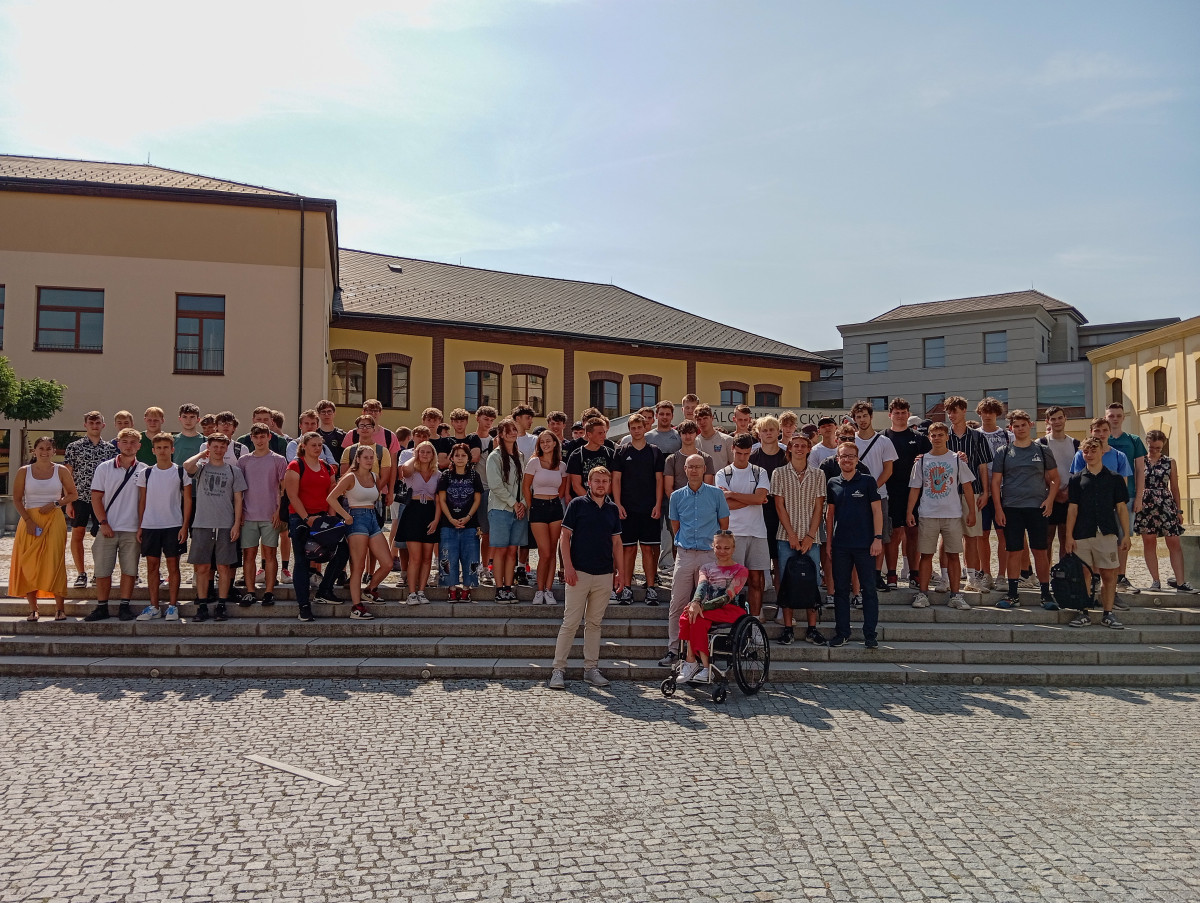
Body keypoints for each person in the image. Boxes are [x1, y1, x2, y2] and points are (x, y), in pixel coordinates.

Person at [548, 466, 625, 690]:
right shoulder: (577, 505)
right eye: (597, 481)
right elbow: (564, 537)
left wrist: (620, 572)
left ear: (609, 484)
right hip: (578, 573)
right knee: (570, 623)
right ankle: (558, 670)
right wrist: (567, 567)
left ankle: (591, 669)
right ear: (588, 483)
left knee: (594, 624)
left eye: (604, 481)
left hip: (604, 574)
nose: (601, 485)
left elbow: (617, 543)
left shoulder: (612, 509)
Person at [661, 454, 731, 667]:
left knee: (705, 605)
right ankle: (674, 650)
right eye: (690, 467)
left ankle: (702, 652)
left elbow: (724, 524)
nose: (694, 470)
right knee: (678, 603)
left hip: (708, 556)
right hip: (685, 555)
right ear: (684, 469)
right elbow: (675, 526)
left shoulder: (716, 494)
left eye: (698, 467)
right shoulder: (676, 496)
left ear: (704, 469)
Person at [990, 410, 1059, 610]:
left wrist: (1050, 500)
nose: (1020, 429)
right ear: (1011, 428)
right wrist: (998, 509)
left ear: (1030, 425)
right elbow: (995, 482)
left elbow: (1055, 478)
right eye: (1016, 426)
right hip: (1011, 508)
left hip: (1037, 508)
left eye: (1023, 425)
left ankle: (1045, 594)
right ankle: (1013, 594)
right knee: (1014, 551)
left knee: (1040, 551)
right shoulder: (1004, 451)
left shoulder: (1042, 450)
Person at [906, 422, 976, 610]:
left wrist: (972, 511)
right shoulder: (922, 461)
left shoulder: (956, 459)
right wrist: (909, 511)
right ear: (929, 437)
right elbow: (915, 488)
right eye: (933, 435)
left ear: (947, 437)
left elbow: (967, 486)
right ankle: (923, 593)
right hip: (928, 513)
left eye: (940, 435)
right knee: (926, 555)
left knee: (953, 555)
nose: (937, 438)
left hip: (952, 514)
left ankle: (956, 595)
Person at [1064, 438, 1130, 629]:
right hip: (1082, 534)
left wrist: (1126, 534)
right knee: (1083, 574)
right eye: (1086, 451)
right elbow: (1072, 509)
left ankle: (1108, 613)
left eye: (1094, 450)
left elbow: (1121, 508)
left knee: (1109, 574)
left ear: (1102, 452)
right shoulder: (1076, 479)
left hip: (1106, 533)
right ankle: (1083, 612)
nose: (1090, 454)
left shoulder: (1115, 478)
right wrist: (1068, 536)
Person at [10, 436, 77, 621]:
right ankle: (33, 608)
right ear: (35, 451)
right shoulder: (24, 471)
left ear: (54, 451)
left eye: (48, 448)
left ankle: (59, 609)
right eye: (41, 448)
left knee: (55, 561)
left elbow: (73, 494)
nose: (45, 452)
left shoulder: (61, 470)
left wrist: (56, 503)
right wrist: (28, 520)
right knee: (28, 562)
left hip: (54, 518)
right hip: (29, 519)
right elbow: (17, 499)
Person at [84, 428, 148, 622]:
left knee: (129, 570)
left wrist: (141, 527)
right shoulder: (104, 468)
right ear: (118, 444)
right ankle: (101, 606)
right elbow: (96, 497)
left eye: (133, 442)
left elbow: (145, 501)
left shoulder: (144, 469)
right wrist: (103, 522)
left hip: (132, 529)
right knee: (102, 570)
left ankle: (124, 606)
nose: (129, 446)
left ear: (139, 446)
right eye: (125, 442)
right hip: (108, 527)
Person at [182, 434, 245, 623]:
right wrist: (202, 454)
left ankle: (221, 605)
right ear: (209, 447)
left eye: (222, 447)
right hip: (202, 524)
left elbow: (238, 500)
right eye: (215, 446)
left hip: (225, 525)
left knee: (224, 567)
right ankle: (202, 605)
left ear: (226, 449)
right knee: (202, 567)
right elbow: (186, 466)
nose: (218, 450)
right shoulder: (201, 468)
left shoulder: (234, 471)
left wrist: (236, 524)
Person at [771, 433, 828, 645]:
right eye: (795, 445)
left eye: (803, 446)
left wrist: (810, 536)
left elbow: (819, 507)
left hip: (811, 538)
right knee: (787, 581)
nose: (799, 449)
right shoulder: (779, 473)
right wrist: (793, 535)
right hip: (786, 537)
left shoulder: (818, 474)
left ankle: (812, 628)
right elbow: (779, 506)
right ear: (789, 448)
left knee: (811, 582)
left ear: (809, 449)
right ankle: (788, 628)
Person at [825, 442, 883, 648]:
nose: (847, 460)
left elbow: (877, 511)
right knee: (840, 590)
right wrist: (829, 543)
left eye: (851, 456)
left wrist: (878, 538)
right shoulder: (832, 482)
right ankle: (842, 633)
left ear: (857, 459)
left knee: (869, 589)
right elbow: (830, 515)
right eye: (843, 456)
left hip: (865, 545)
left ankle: (870, 635)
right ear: (837, 459)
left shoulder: (867, 481)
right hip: (840, 545)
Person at [325, 445, 389, 619]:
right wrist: (346, 516)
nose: (369, 460)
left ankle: (369, 589)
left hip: (372, 518)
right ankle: (356, 607)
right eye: (366, 457)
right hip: (356, 518)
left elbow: (375, 498)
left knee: (387, 562)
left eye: (371, 457)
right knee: (358, 566)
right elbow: (331, 498)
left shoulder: (374, 476)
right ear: (358, 459)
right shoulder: (350, 477)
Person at [678, 532, 750, 683]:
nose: (722, 551)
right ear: (713, 547)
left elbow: (728, 596)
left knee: (693, 615)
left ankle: (691, 661)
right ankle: (702, 666)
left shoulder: (741, 570)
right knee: (692, 616)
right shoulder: (706, 568)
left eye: (726, 548)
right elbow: (702, 586)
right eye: (718, 547)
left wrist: (701, 607)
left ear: (733, 548)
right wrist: (695, 602)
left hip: (730, 609)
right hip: (708, 609)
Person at [135, 433, 192, 621]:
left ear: (172, 449)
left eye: (166, 447)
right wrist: (140, 526)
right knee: (152, 566)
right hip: (150, 525)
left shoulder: (181, 472)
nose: (162, 451)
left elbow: (188, 501)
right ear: (153, 450)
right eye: (158, 448)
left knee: (173, 566)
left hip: (173, 525)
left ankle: (173, 606)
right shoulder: (146, 473)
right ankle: (154, 606)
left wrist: (184, 526)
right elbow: (142, 500)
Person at [715, 434, 771, 618]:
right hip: (733, 534)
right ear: (733, 450)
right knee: (732, 580)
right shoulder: (722, 473)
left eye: (746, 454)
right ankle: (732, 619)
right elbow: (725, 505)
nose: (742, 457)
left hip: (757, 532)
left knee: (756, 579)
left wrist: (732, 494)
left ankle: (755, 620)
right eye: (739, 453)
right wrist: (753, 499)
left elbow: (760, 498)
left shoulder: (759, 472)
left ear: (750, 452)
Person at [612, 413, 665, 604]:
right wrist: (618, 504)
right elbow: (616, 480)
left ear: (646, 428)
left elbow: (659, 480)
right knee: (628, 549)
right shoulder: (621, 451)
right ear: (629, 430)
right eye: (633, 428)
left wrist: (658, 504)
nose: (636, 431)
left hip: (649, 508)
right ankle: (626, 588)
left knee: (648, 549)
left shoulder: (655, 452)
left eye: (639, 427)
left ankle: (651, 588)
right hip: (627, 509)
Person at [1134, 430, 1195, 593]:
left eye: (1158, 448)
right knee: (1149, 542)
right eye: (1152, 447)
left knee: (1174, 542)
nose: (1154, 450)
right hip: (1145, 504)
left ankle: (1180, 582)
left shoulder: (1169, 462)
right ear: (1147, 444)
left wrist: (1179, 510)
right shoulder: (1139, 461)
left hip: (1165, 503)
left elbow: (1175, 487)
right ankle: (1155, 581)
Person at [284, 432, 337, 622]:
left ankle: (324, 589)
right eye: (313, 445)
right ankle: (304, 606)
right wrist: (306, 519)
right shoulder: (295, 465)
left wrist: (331, 519)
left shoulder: (327, 467)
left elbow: (332, 494)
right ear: (304, 446)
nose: (317, 448)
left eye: (319, 445)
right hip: (300, 519)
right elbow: (292, 495)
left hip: (322, 518)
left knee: (341, 552)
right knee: (302, 561)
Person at [944, 396, 993, 593]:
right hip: (946, 493)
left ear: (964, 410)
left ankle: (972, 578)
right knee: (946, 537)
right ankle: (946, 578)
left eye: (955, 411)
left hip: (972, 492)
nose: (951, 415)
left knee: (971, 536)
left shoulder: (977, 437)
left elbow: (983, 466)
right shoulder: (943, 435)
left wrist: (985, 492)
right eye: (949, 412)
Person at [235, 423, 288, 607]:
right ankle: (250, 591)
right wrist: (239, 514)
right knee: (248, 555)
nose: (259, 440)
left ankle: (269, 591)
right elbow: (239, 490)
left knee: (270, 554)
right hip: (248, 515)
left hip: (270, 515)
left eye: (262, 437)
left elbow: (283, 488)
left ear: (269, 437)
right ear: (251, 438)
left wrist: (278, 511)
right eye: (256, 437)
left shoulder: (278, 460)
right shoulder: (244, 461)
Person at [63, 411, 117, 587]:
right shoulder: (74, 447)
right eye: (91, 423)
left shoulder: (110, 449)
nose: (94, 426)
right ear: (85, 425)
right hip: (79, 498)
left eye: (97, 423)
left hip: (102, 500)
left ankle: (98, 573)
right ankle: (81, 573)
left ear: (103, 425)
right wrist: (68, 501)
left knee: (102, 536)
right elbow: (67, 474)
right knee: (77, 534)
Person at [849, 400, 897, 592]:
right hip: (854, 497)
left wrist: (871, 489)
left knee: (880, 536)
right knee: (855, 537)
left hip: (879, 495)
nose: (862, 420)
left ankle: (876, 575)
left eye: (865, 416)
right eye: (858, 417)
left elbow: (888, 470)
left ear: (871, 417)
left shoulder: (884, 441)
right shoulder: (850, 441)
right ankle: (856, 578)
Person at [883, 399, 930, 590]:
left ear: (908, 414)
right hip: (891, 492)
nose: (900, 416)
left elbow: (932, 460)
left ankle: (914, 572)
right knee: (894, 534)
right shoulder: (883, 437)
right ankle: (891, 574)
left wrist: (924, 459)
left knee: (913, 533)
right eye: (897, 412)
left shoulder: (920, 438)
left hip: (914, 492)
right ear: (890, 415)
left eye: (903, 412)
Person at [1104, 402, 1148, 594]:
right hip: (1103, 498)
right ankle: (1104, 577)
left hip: (1127, 497)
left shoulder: (1134, 440)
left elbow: (1140, 471)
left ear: (1123, 417)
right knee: (1104, 538)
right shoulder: (1101, 439)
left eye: (1118, 415)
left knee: (1123, 538)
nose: (1115, 419)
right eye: (1111, 415)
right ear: (1106, 417)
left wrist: (1139, 498)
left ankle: (1121, 577)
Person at [974, 397, 1015, 591]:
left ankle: (1001, 576)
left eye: (991, 412)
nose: (988, 415)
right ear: (979, 413)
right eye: (984, 411)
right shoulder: (974, 435)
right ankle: (986, 573)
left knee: (1003, 535)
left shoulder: (1008, 436)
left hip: (1004, 491)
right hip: (981, 491)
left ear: (997, 414)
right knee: (982, 535)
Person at [522, 430, 566, 605]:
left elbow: (562, 489)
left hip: (555, 507)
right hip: (538, 507)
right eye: (542, 442)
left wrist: (553, 500)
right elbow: (526, 487)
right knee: (544, 552)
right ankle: (539, 590)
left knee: (553, 550)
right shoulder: (534, 462)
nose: (545, 444)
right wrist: (531, 506)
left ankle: (549, 590)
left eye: (548, 441)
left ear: (555, 443)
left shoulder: (561, 465)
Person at [395, 440, 440, 604]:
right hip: (413, 512)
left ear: (433, 455)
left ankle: (421, 591)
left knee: (427, 557)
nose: (425, 455)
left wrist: (436, 520)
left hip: (430, 512)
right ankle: (412, 593)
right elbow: (404, 469)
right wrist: (416, 456)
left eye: (428, 452)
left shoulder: (438, 474)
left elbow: (439, 500)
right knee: (415, 557)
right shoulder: (412, 471)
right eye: (422, 452)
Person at [486, 419, 527, 602]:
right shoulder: (494, 457)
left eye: (514, 430)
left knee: (512, 551)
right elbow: (495, 485)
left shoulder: (520, 456)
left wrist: (523, 504)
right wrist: (514, 503)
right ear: (501, 434)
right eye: (508, 430)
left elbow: (526, 483)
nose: (512, 433)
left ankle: (509, 587)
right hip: (500, 509)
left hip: (519, 510)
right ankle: (499, 588)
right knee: (501, 550)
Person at [437, 443, 483, 600]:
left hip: (470, 523)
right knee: (448, 557)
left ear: (469, 458)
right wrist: (451, 518)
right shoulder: (445, 475)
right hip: (448, 523)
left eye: (463, 455)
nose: (460, 458)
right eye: (457, 455)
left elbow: (477, 499)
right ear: (451, 457)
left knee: (471, 556)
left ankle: (467, 588)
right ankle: (451, 588)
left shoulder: (474, 476)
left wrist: (468, 516)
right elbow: (442, 499)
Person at [750, 416, 788, 596]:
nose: (768, 433)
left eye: (772, 430)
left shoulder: (786, 456)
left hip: (782, 513)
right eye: (764, 430)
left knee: (779, 558)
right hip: (758, 513)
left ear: (778, 431)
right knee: (759, 559)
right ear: (758, 434)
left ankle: (781, 602)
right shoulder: (752, 457)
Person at [1039, 406, 1080, 557]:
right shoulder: (1041, 443)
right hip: (1048, 498)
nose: (1057, 421)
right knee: (1046, 539)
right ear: (1047, 421)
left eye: (1060, 418)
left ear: (1065, 419)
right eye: (1053, 419)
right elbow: (1040, 470)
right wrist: (1054, 492)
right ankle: (1046, 571)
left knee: (1066, 538)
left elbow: (1079, 471)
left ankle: (1063, 569)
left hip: (1069, 497)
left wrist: (1068, 491)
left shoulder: (1076, 444)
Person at [473, 405, 498, 583]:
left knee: (487, 533)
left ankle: (485, 568)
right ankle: (470, 567)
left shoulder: (494, 441)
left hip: (490, 490)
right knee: (470, 533)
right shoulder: (470, 439)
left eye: (491, 420)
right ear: (477, 418)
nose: (488, 423)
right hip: (471, 490)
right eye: (485, 419)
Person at [567, 417, 616, 497]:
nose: (604, 436)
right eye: (600, 433)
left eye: (604, 432)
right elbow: (576, 485)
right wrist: (591, 501)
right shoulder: (577, 455)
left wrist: (601, 500)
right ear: (589, 434)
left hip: (605, 500)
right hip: (584, 500)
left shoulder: (610, 453)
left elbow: (613, 481)